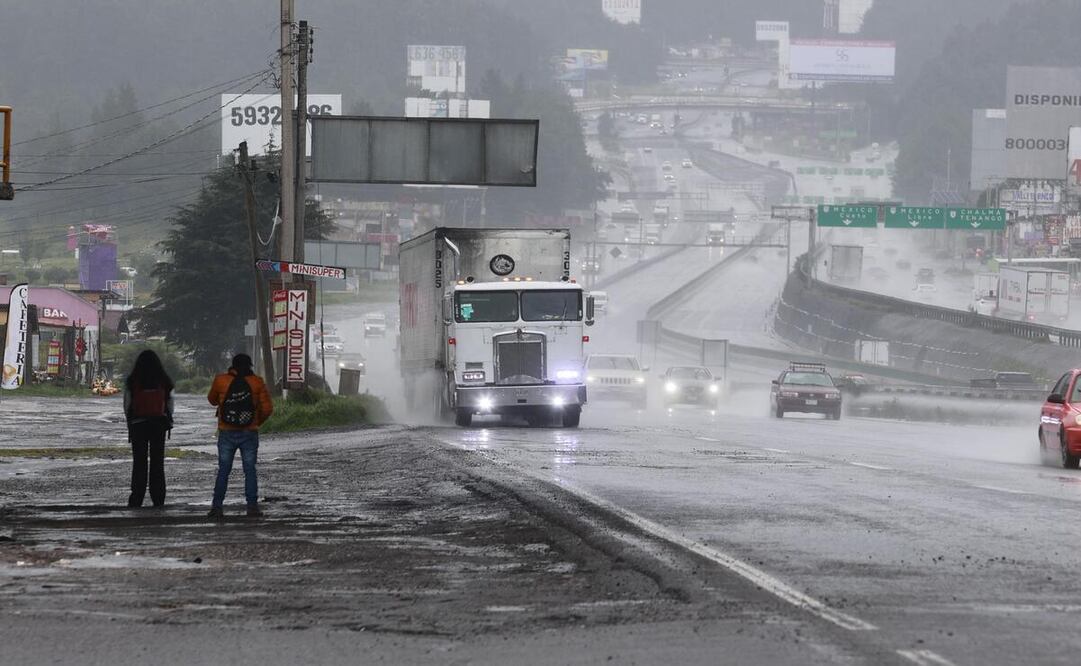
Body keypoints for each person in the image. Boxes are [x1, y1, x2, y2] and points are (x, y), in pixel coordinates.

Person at [206, 353, 273, 519]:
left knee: (224, 470)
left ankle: (217, 507)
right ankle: (252, 507)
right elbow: (267, 408)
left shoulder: (221, 380)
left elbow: (212, 400)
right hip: (249, 432)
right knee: (249, 470)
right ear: (250, 365)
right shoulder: (257, 382)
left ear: (232, 366)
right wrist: (256, 422)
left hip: (226, 432)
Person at [123, 350, 174, 508]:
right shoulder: (164, 381)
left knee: (139, 462)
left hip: (138, 425)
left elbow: (127, 405)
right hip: (158, 425)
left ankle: (137, 497)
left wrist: (130, 422)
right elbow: (170, 405)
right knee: (157, 462)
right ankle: (158, 497)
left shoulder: (132, 381)